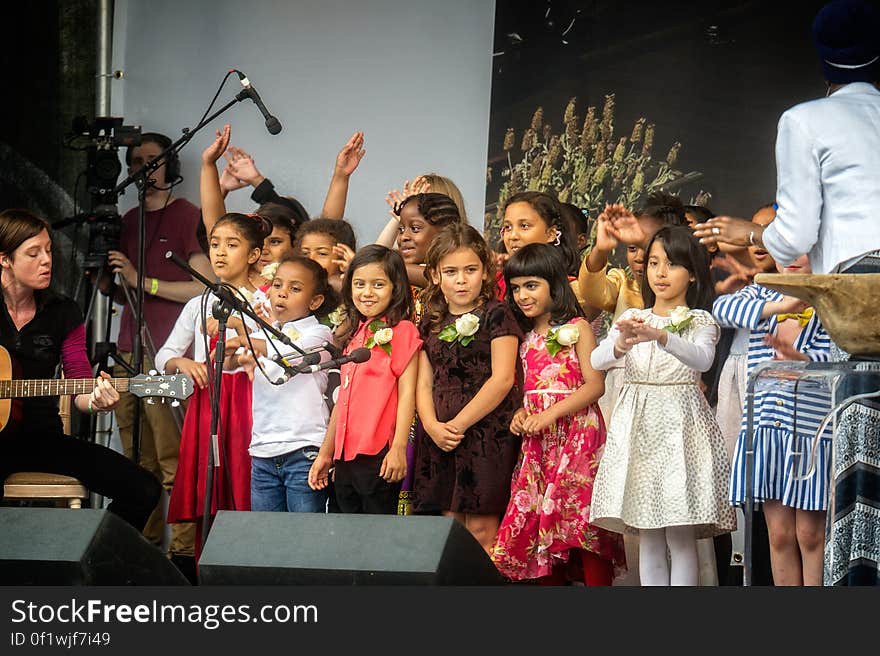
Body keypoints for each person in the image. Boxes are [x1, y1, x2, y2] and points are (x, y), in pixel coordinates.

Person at [693, 0, 880, 586]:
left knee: (865, 456)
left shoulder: (806, 120)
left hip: (863, 294)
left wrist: (751, 232)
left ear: (825, 63)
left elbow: (794, 234)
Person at [590, 226, 736, 585]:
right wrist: (622, 343)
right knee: (648, 532)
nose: (659, 272)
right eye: (654, 262)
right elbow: (596, 360)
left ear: (692, 273)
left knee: (680, 532)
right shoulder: (634, 318)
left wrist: (662, 336)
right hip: (638, 428)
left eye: (671, 264)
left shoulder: (701, 319)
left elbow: (702, 360)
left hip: (680, 429)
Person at [0, 209, 161, 531]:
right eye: (33, 253)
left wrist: (98, 400)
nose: (46, 260)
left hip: (40, 438)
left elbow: (79, 384)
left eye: (48, 250)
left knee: (143, 489)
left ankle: (89, 569)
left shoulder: (63, 312)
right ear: (4, 259)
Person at [106, 131, 212, 564]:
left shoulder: (188, 214)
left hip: (163, 350)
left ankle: (184, 553)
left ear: (171, 166)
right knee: (135, 456)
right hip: (126, 349)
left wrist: (142, 280)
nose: (142, 169)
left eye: (152, 159)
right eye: (135, 161)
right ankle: (143, 550)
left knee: (170, 453)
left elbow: (205, 285)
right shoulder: (127, 220)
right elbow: (123, 292)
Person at [493, 243, 626, 584]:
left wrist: (551, 414)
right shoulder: (520, 335)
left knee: (579, 519)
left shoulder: (578, 327)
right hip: (538, 442)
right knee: (540, 523)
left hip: (578, 435)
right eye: (517, 287)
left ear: (555, 284)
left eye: (531, 285)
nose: (522, 295)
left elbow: (594, 385)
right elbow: (525, 389)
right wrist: (521, 414)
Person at [156, 213, 272, 556]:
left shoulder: (265, 302)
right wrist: (184, 363)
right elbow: (165, 356)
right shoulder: (198, 303)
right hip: (208, 405)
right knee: (210, 492)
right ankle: (207, 573)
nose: (219, 253)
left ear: (253, 255)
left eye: (232, 245)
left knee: (245, 485)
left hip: (250, 404)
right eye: (215, 244)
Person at [718, 253, 832, 585]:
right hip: (766, 433)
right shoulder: (761, 295)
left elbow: (844, 353)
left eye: (804, 248)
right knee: (779, 535)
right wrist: (782, 305)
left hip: (813, 435)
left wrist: (804, 361)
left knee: (811, 534)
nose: (793, 258)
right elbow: (721, 310)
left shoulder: (830, 299)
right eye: (786, 248)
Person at [412, 224, 522, 553]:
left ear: (485, 272)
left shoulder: (497, 314)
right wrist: (432, 426)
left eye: (470, 270)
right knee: (449, 529)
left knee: (482, 530)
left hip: (486, 434)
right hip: (441, 437)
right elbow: (424, 380)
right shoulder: (432, 320)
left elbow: (503, 379)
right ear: (434, 275)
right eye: (451, 271)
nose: (461, 280)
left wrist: (458, 424)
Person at [307, 245, 421, 514]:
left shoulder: (402, 331)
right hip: (345, 455)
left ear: (396, 288)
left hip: (378, 453)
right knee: (345, 538)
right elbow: (343, 400)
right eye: (359, 284)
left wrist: (398, 449)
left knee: (376, 540)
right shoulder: (356, 334)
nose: (367, 292)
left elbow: (407, 396)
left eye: (378, 284)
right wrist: (326, 453)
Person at [238, 256, 339, 513]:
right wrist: (230, 352)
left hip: (303, 449)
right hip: (262, 451)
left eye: (294, 289)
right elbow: (232, 363)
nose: (282, 294)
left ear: (315, 301)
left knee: (304, 539)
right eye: (277, 285)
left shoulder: (319, 333)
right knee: (266, 538)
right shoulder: (263, 334)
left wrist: (246, 339)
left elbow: (293, 354)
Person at [576, 192, 687, 423]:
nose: (639, 257)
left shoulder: (685, 297)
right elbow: (590, 291)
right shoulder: (622, 285)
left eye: (649, 247)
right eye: (632, 248)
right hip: (622, 391)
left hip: (667, 395)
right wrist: (601, 249)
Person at [296, 218, 358, 294]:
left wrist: (355, 270)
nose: (311, 259)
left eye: (322, 254)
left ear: (343, 259)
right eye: (305, 253)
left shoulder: (353, 291)